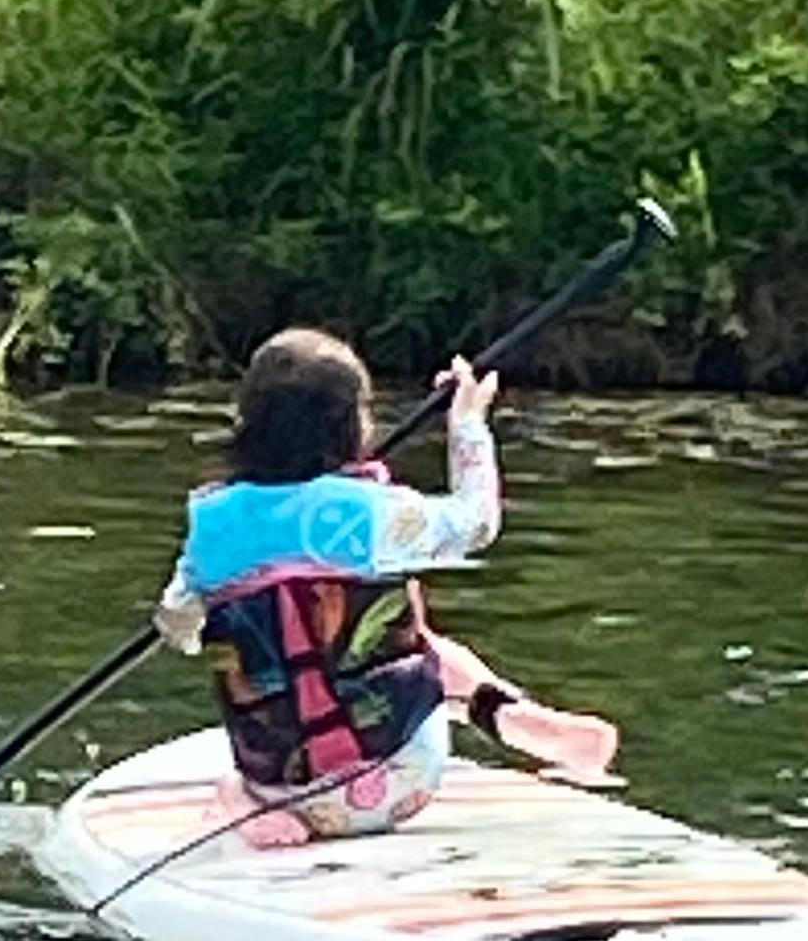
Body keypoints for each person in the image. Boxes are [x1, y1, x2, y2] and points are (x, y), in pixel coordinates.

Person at [154, 324, 619, 844]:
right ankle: (514, 715)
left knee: (277, 660)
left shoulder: (211, 524)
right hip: (407, 776)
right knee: (415, 644)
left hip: (281, 784)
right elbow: (478, 523)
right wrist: (466, 424)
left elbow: (181, 628)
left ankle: (243, 802)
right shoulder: (371, 514)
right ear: (349, 427)